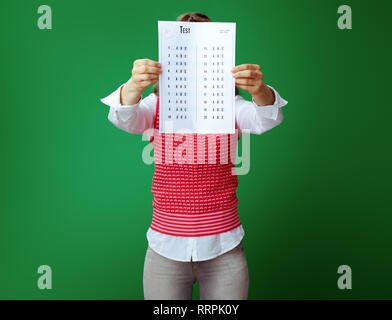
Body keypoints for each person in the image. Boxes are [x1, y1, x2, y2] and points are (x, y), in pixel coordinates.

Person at [101, 12, 288, 300]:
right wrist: (133, 87)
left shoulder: (233, 108)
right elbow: (125, 118)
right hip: (165, 251)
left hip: (224, 250)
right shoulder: (156, 106)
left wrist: (261, 90)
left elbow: (268, 117)